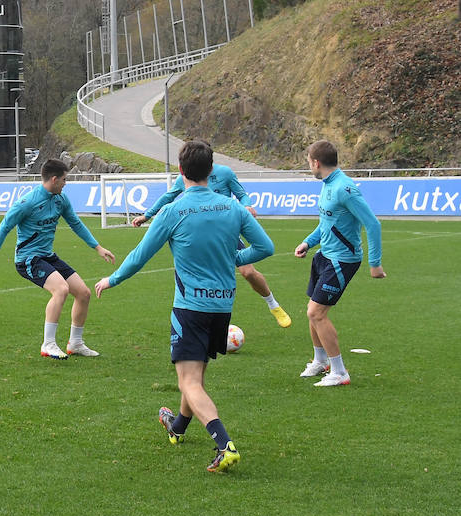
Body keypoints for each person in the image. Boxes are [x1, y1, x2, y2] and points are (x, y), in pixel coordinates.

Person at [95, 140, 274, 473]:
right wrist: (237, 257)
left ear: (180, 172)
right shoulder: (231, 207)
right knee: (196, 373)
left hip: (190, 306)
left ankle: (225, 445)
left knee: (188, 381)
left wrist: (112, 279)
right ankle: (177, 426)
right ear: (211, 171)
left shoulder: (173, 211)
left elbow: (139, 257)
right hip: (223, 305)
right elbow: (265, 247)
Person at [132, 149, 292, 329]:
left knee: (247, 272)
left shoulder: (225, 173)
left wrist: (247, 205)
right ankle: (207, 316)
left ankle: (273, 304)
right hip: (198, 233)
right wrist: (147, 215)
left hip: (224, 232)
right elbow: (169, 196)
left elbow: (242, 194)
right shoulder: (185, 177)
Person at [0, 159, 116, 358]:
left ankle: (75, 343)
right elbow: (4, 227)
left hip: (47, 256)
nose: (66, 183)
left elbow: (76, 224)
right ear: (54, 179)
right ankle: (48, 344)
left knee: (84, 293)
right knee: (61, 289)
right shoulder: (27, 202)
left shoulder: (61, 200)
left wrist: (98, 247)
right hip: (28, 259)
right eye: (64, 179)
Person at [294, 139, 385, 387]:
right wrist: (308, 242)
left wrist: (375, 263)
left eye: (308, 162)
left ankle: (339, 372)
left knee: (317, 313)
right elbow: (327, 223)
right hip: (325, 255)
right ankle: (320, 361)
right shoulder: (327, 185)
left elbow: (372, 224)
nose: (309, 166)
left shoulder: (345, 188)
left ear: (316, 162)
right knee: (312, 311)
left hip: (343, 259)